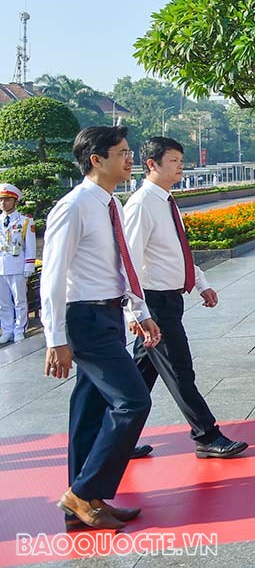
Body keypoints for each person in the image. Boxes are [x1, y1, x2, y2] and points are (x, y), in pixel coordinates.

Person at [41, 126, 161, 530]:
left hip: (109, 314)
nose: (130, 159)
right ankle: (82, 492)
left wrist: (137, 310)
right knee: (133, 402)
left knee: (89, 410)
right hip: (85, 318)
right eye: (122, 152)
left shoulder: (111, 204)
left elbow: (119, 266)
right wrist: (55, 337)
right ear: (96, 159)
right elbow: (53, 276)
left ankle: (84, 502)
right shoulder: (74, 206)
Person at [124, 137, 248, 459]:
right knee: (180, 371)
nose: (181, 167)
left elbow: (176, 251)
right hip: (154, 304)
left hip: (169, 299)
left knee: (140, 375)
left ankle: (114, 439)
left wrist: (199, 283)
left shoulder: (166, 201)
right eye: (174, 161)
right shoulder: (141, 205)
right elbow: (128, 262)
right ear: (152, 164)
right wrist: (135, 312)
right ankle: (207, 435)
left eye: (181, 161)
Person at [0, 184, 37, 344]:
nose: (3, 203)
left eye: (7, 200)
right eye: (1, 200)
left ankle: (19, 329)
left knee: (19, 301)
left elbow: (30, 245)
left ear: (15, 201)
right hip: (1, 266)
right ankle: (7, 329)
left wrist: (29, 265)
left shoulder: (25, 221)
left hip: (17, 266)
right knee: (3, 302)